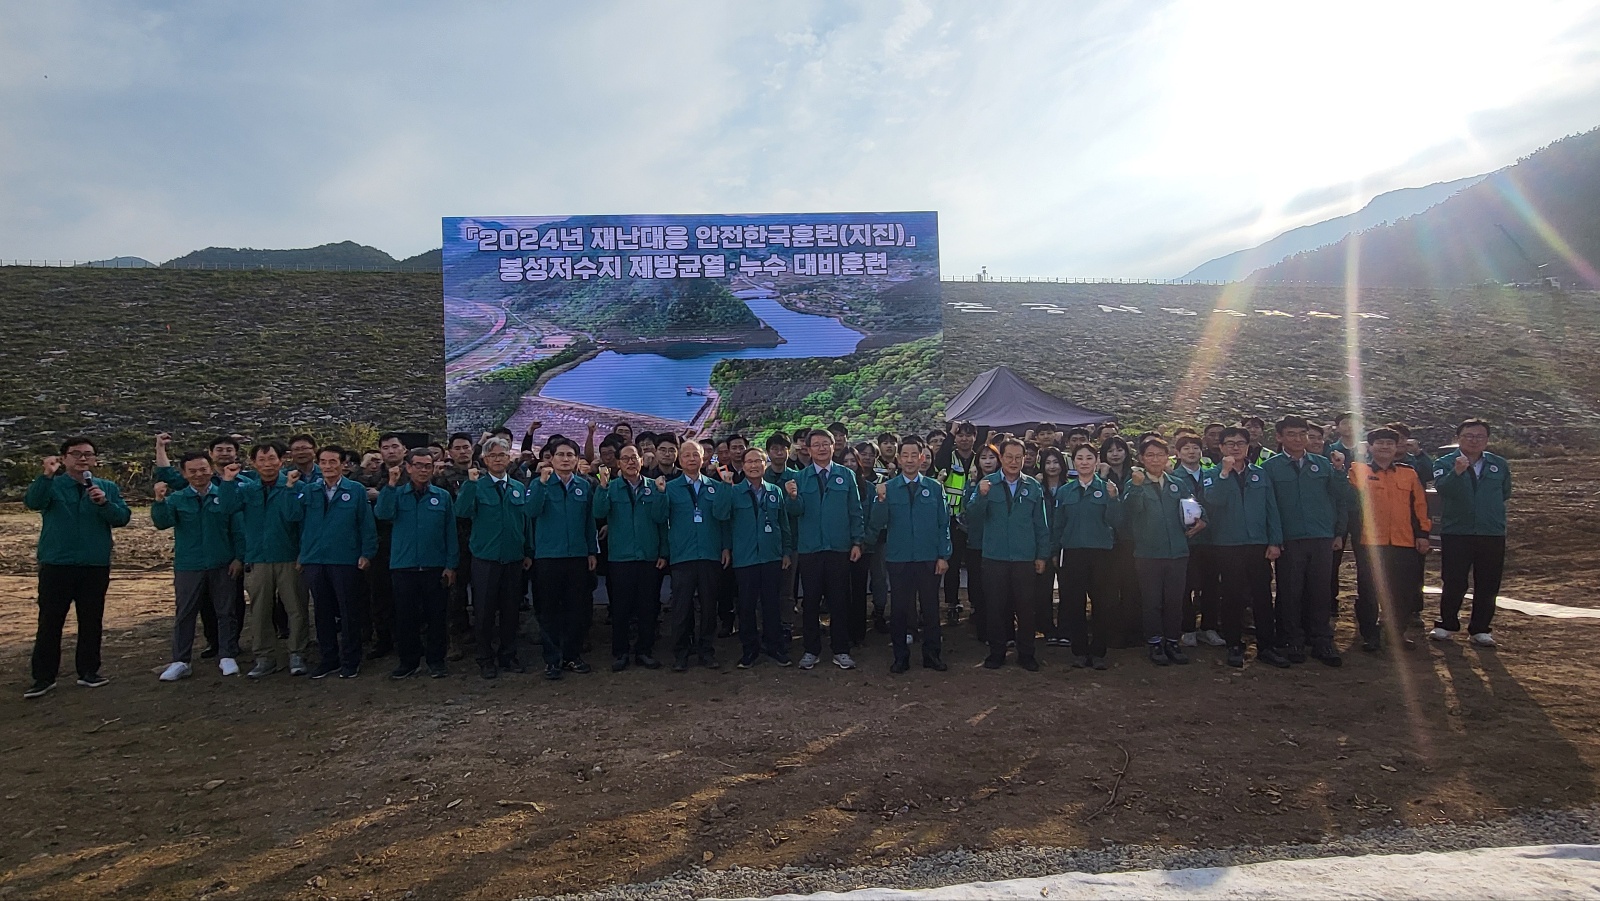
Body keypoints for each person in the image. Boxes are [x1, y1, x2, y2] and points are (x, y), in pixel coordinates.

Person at [24, 437, 132, 698]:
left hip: (94, 564)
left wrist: (104, 503)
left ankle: (89, 672)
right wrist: (46, 476)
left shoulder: (105, 487)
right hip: (57, 564)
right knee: (50, 621)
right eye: (76, 454)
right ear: (64, 459)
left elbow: (122, 518)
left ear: (95, 459)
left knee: (91, 620)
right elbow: (33, 502)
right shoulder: (53, 485)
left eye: (88, 454)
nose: (82, 458)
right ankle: (44, 677)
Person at [151, 451, 246, 681]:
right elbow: (163, 523)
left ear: (211, 469)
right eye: (192, 471)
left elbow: (238, 530)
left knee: (226, 611)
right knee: (185, 614)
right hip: (189, 565)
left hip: (222, 563)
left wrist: (239, 558)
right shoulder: (177, 499)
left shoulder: (224, 495)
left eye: (203, 469)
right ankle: (181, 660)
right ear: (184, 473)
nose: (198, 474)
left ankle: (227, 654)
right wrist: (159, 501)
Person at [1261, 415, 1347, 666]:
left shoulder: (1323, 464)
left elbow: (1340, 497)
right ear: (1279, 437)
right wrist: (1275, 539)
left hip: (1321, 537)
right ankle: (1291, 639)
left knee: (1321, 589)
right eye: (1291, 434)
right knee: (1290, 590)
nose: (1298, 439)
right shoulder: (1271, 468)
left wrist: (1340, 471)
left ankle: (1321, 639)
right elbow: (1270, 507)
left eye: (1302, 434)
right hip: (1290, 538)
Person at [1203, 428, 1287, 669]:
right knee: (1231, 596)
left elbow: (1272, 508)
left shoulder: (1260, 474)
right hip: (1228, 543)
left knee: (1262, 596)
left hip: (1257, 543)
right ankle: (1233, 645)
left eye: (1240, 443)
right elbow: (1212, 500)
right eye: (1229, 443)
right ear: (1220, 447)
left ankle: (1266, 646)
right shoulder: (1212, 474)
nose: (1235, 448)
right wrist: (1225, 473)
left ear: (1248, 446)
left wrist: (1275, 541)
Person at [294, 445, 377, 679]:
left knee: (348, 611)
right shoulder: (308, 491)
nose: (328, 466)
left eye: (333, 462)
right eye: (324, 462)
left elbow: (365, 524)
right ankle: (328, 659)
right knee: (322, 611)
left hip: (345, 558)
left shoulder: (356, 490)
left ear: (344, 465)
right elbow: (295, 520)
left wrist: (366, 553)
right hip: (315, 559)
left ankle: (351, 659)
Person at [869, 436, 951, 673]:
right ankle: (900, 657)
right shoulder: (889, 488)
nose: (909, 460)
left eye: (914, 455)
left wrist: (943, 555)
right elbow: (878, 522)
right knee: (899, 611)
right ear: (899, 458)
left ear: (922, 458)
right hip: (899, 558)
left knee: (931, 609)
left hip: (928, 558)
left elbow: (942, 524)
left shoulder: (934, 488)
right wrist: (881, 500)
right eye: (905, 456)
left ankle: (932, 655)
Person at [966, 438, 1050, 671]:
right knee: (995, 607)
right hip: (995, 557)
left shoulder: (1033, 486)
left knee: (1025, 608)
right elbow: (972, 517)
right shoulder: (987, 483)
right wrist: (980, 496)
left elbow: (1040, 524)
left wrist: (1042, 555)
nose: (1013, 462)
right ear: (1001, 458)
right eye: (1009, 457)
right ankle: (997, 652)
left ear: (1025, 459)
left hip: (1024, 558)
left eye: (1018, 457)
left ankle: (1026, 653)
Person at [374, 448, 458, 679]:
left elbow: (450, 532)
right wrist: (390, 486)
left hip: (434, 566)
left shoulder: (442, 496)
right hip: (404, 566)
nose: (423, 470)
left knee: (436, 617)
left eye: (427, 466)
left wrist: (451, 565)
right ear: (408, 467)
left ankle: (436, 661)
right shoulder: (396, 494)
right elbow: (382, 514)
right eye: (418, 465)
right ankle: (408, 662)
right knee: (405, 618)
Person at [1122, 438, 1205, 667]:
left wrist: (1202, 519)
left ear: (1168, 457)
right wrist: (1137, 487)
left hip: (1177, 552)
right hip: (1148, 554)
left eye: (1160, 455)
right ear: (1141, 459)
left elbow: (1194, 505)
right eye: (1150, 455)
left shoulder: (1178, 483)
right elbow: (1130, 512)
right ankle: (1155, 642)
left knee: (1175, 601)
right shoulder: (1135, 483)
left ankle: (1172, 641)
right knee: (1152, 601)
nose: (1155, 459)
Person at [785, 429, 864, 670]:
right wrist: (792, 498)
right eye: (816, 445)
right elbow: (793, 514)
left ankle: (841, 650)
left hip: (838, 547)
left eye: (825, 444)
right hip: (810, 549)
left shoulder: (846, 475)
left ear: (833, 446)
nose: (821, 448)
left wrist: (857, 542)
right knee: (810, 601)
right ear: (807, 450)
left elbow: (855, 511)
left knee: (839, 600)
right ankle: (811, 650)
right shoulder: (799, 478)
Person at [454, 438, 532, 679]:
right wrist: (469, 484)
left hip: (513, 558)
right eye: (493, 456)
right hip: (485, 559)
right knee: (484, 612)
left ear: (509, 458)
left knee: (510, 611)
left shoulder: (518, 488)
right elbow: (462, 512)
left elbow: (525, 523)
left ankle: (508, 655)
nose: (498, 459)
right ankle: (485, 658)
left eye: (503, 455)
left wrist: (528, 551)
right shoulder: (476, 486)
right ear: (485, 460)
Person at [1348, 428, 1432, 651]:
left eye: (1389, 443)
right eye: (1379, 443)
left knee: (1402, 591)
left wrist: (1423, 534)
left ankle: (1396, 634)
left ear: (1397, 448)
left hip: (1404, 542)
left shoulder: (1409, 473)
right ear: (1370, 446)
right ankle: (1370, 635)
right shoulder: (1358, 470)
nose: (1384, 447)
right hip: (1370, 542)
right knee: (1369, 590)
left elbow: (1420, 507)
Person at [1430, 418, 1510, 647]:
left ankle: (1480, 629)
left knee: (1488, 582)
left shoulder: (1499, 464)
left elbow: (1505, 492)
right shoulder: (1445, 462)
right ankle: (1446, 624)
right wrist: (1457, 472)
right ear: (1459, 438)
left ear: (1487, 440)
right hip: (1457, 530)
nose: (1474, 441)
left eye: (1479, 437)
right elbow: (1442, 489)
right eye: (1469, 436)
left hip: (1491, 532)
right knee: (1454, 580)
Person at [236, 440, 311, 678]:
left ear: (282, 461)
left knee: (296, 608)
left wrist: (302, 552)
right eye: (262, 460)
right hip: (258, 558)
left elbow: (298, 518)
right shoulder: (247, 489)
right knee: (259, 610)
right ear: (253, 463)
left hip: (289, 557)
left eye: (272, 459)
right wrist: (227, 482)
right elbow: (227, 508)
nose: (267, 464)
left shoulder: (295, 485)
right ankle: (264, 656)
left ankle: (297, 653)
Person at [527, 438, 601, 679]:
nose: (566, 459)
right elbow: (531, 511)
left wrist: (592, 550)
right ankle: (552, 659)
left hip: (577, 557)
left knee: (576, 610)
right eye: (561, 455)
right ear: (551, 458)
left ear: (577, 459)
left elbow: (589, 522)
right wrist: (541, 484)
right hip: (548, 557)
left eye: (570, 455)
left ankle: (572, 655)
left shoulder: (584, 486)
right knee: (548, 610)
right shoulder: (540, 484)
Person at [593, 444, 668, 671]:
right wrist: (603, 487)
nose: (630, 462)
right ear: (618, 463)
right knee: (621, 608)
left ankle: (644, 651)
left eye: (634, 458)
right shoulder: (611, 488)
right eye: (625, 459)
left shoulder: (654, 487)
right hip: (621, 558)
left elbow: (661, 520)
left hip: (648, 557)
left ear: (642, 461)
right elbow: (598, 512)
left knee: (648, 607)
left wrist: (663, 552)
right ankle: (621, 652)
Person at [663, 440, 732, 671]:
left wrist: (725, 547)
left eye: (696, 455)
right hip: (682, 555)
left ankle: (706, 651)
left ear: (703, 459)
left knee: (709, 606)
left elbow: (723, 518)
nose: (691, 459)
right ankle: (681, 653)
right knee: (682, 607)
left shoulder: (715, 485)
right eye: (686, 455)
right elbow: (660, 519)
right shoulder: (669, 488)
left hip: (710, 553)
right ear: (679, 460)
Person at [725, 448, 794, 668]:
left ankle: (775, 647)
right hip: (745, 558)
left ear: (765, 464)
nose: (754, 465)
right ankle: (749, 650)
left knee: (771, 605)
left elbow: (783, 524)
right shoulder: (733, 492)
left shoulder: (775, 491)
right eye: (749, 462)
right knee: (746, 606)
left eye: (758, 461)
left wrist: (786, 551)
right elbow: (722, 519)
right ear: (743, 465)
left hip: (771, 556)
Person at [1054, 444, 1120, 670]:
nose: (1084, 462)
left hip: (1101, 553)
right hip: (1073, 553)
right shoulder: (1065, 491)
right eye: (1079, 458)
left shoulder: (1108, 489)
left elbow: (1116, 522)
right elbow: (1057, 525)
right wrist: (1054, 551)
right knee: (1074, 603)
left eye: (1088, 458)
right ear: (1074, 462)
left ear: (1096, 460)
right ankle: (1079, 651)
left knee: (1103, 603)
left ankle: (1099, 651)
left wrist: (1113, 499)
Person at [357, 432, 407, 660]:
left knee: (407, 595)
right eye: (385, 447)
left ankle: (407, 638)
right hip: (380, 542)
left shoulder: (416, 473)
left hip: (407, 541)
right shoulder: (371, 477)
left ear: (403, 449)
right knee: (380, 594)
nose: (390, 451)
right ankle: (384, 639)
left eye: (395, 446)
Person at [1172, 435, 1224, 649]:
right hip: (1187, 540)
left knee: (1212, 584)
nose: (1191, 452)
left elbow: (1218, 501)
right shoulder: (1174, 477)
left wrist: (1207, 521)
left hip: (1212, 538)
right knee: (1185, 586)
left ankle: (1209, 627)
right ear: (1178, 453)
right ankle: (1188, 629)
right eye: (1186, 449)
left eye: (1195, 448)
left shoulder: (1212, 474)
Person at [934, 420, 979, 626]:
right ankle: (952, 604)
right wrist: (950, 433)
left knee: (974, 565)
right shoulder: (948, 457)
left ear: (975, 438)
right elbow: (939, 462)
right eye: (960, 435)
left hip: (974, 520)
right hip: (953, 519)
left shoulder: (980, 459)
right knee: (952, 564)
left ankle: (976, 604)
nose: (964, 439)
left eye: (968, 435)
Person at [850, 441, 889, 639]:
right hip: (853, 542)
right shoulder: (846, 480)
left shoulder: (881, 480)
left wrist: (869, 538)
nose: (867, 458)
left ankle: (879, 613)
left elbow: (879, 514)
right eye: (863, 454)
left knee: (879, 578)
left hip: (876, 539)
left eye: (871, 454)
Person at [1035, 447, 1069, 646]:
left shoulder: (1069, 488)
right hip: (1043, 547)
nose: (1052, 466)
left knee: (1067, 590)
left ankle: (1065, 629)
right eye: (1048, 462)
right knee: (1042, 590)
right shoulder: (1037, 488)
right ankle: (1046, 628)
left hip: (1065, 547)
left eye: (1056, 462)